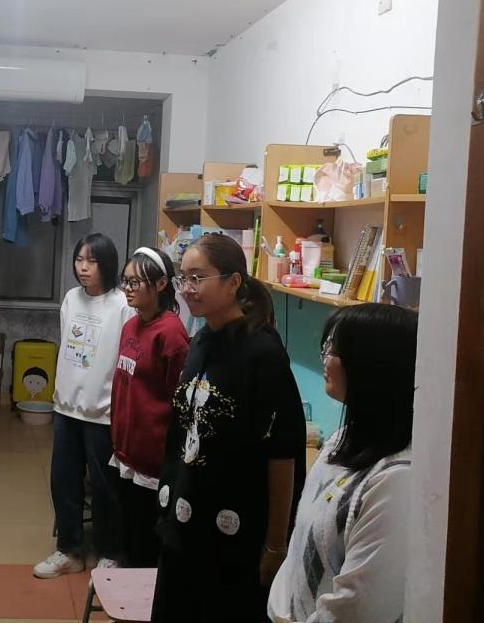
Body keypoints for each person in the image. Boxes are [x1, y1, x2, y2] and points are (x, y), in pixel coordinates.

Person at [152, 234, 305, 622]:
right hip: (184, 521)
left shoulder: (262, 353)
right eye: (183, 278)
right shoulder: (202, 340)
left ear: (234, 281)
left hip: (232, 537)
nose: (187, 288)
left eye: (198, 278)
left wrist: (275, 545)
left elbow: (282, 455)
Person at [268, 304, 418, 623]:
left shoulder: (396, 480)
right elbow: (298, 550)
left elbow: (358, 607)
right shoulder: (340, 442)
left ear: (371, 366)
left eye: (334, 348)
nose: (324, 358)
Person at [34, 233, 133, 579]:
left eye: (91, 261)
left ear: (107, 264)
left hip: (103, 413)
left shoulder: (122, 305)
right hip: (66, 408)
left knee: (105, 487)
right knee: (63, 482)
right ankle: (70, 550)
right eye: (79, 260)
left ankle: (110, 552)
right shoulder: (71, 298)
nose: (83, 267)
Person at [110, 247, 190, 568]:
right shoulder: (131, 326)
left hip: (153, 457)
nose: (128, 289)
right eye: (125, 281)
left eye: (135, 282)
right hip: (126, 449)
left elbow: (179, 399)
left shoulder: (170, 332)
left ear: (160, 284)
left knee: (147, 537)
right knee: (129, 525)